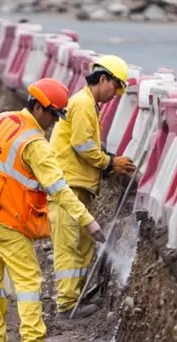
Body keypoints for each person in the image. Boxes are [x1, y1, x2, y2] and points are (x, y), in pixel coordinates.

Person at [0, 78, 106, 342]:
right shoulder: (35, 144)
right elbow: (60, 189)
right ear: (41, 108)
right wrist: (88, 221)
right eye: (53, 116)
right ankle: (33, 340)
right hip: (6, 218)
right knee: (28, 277)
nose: (54, 124)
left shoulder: (2, 120)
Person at [48, 54, 136, 320]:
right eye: (116, 87)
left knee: (84, 243)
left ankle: (77, 296)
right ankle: (66, 304)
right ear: (103, 78)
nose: (116, 94)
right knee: (68, 244)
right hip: (67, 184)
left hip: (78, 184)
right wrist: (110, 163)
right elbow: (83, 146)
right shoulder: (84, 103)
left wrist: (107, 163)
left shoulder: (88, 104)